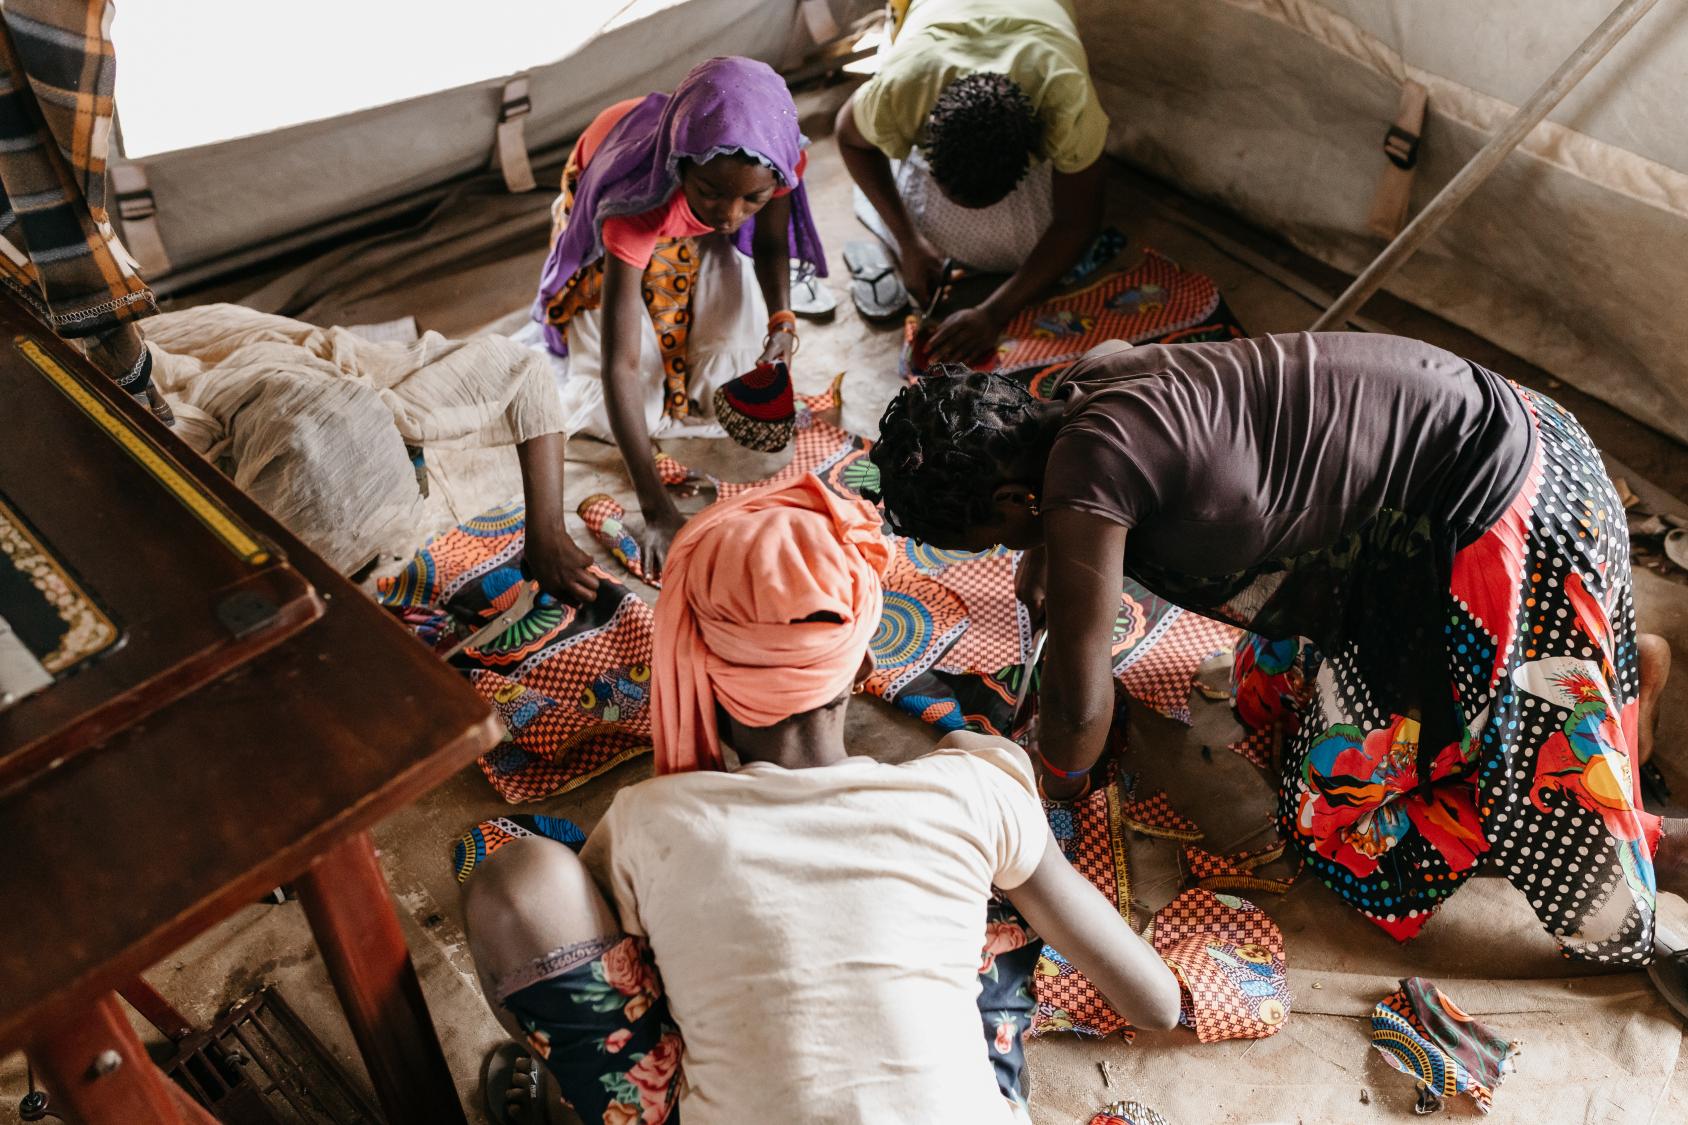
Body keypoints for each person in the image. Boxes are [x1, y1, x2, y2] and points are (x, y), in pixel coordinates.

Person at [867, 334, 1681, 976]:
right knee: (1268, 682)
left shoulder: (1084, 480)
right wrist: (1045, 549)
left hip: (1499, 535)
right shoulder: (1082, 385)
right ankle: (1597, 674)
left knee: (1343, 822)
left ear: (1018, 499)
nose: (1005, 549)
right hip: (1526, 436)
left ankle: (1639, 823)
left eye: (995, 536)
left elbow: (1079, 714)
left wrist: (1048, 783)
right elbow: (1078, 489)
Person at [458, 474, 1180, 1123]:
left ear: (702, 673)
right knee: (998, 891)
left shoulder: (651, 823)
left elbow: (624, 970)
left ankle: (568, 1108)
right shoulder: (973, 786)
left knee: (521, 877)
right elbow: (1155, 1003)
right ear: (864, 661)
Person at [532, 56, 826, 578]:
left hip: (676, 211)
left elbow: (772, 241)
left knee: (726, 373)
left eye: (751, 199)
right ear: (681, 166)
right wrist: (656, 509)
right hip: (620, 201)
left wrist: (782, 322)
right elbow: (619, 363)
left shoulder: (773, 165)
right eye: (711, 192)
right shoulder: (632, 201)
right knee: (632, 408)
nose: (730, 216)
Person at [836, 0, 1109, 362]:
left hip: (1029, 36)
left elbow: (1078, 221)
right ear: (928, 140)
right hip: (935, 42)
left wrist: (994, 312)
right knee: (926, 220)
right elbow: (846, 135)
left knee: (1025, 240)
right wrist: (909, 243)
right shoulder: (903, 87)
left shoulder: (1065, 96)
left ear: (1032, 153)